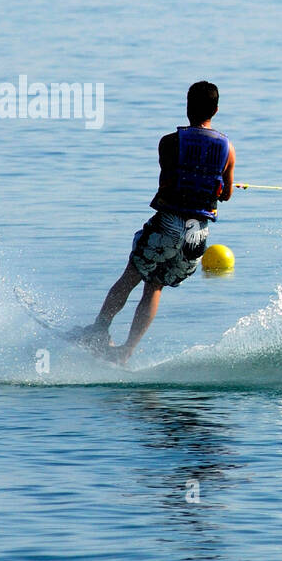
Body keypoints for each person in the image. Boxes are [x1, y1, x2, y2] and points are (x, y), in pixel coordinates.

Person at [75, 81, 235, 363]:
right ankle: (125, 352)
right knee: (155, 286)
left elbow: (168, 181)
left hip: (169, 224)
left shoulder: (169, 142)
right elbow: (226, 195)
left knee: (131, 277)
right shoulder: (228, 148)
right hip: (197, 236)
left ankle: (98, 331)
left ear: (187, 108)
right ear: (217, 110)